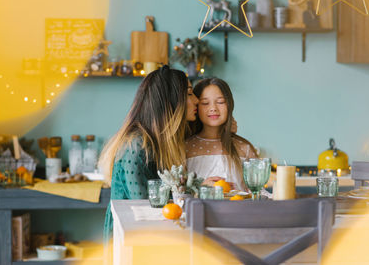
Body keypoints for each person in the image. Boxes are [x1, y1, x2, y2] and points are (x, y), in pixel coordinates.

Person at [99, 65, 199, 242]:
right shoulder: (136, 146)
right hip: (131, 240)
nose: (197, 100)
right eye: (190, 94)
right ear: (171, 101)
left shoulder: (163, 142)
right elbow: (147, 206)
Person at [186, 78, 257, 191]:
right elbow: (178, 193)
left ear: (229, 105)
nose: (213, 108)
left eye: (220, 102)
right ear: (196, 107)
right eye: (205, 103)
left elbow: (257, 192)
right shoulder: (186, 147)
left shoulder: (244, 148)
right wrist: (200, 188)